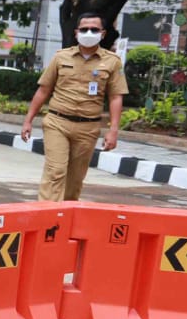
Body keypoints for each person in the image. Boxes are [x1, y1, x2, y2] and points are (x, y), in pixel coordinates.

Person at [20, 12, 128, 201]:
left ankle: (66, 217)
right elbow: (43, 91)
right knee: (56, 171)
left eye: (94, 29)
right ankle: (47, 217)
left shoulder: (112, 62)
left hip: (88, 127)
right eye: (84, 29)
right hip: (57, 122)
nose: (89, 32)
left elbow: (115, 97)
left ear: (102, 34)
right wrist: (28, 121)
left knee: (75, 179)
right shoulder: (61, 57)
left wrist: (113, 130)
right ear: (77, 32)